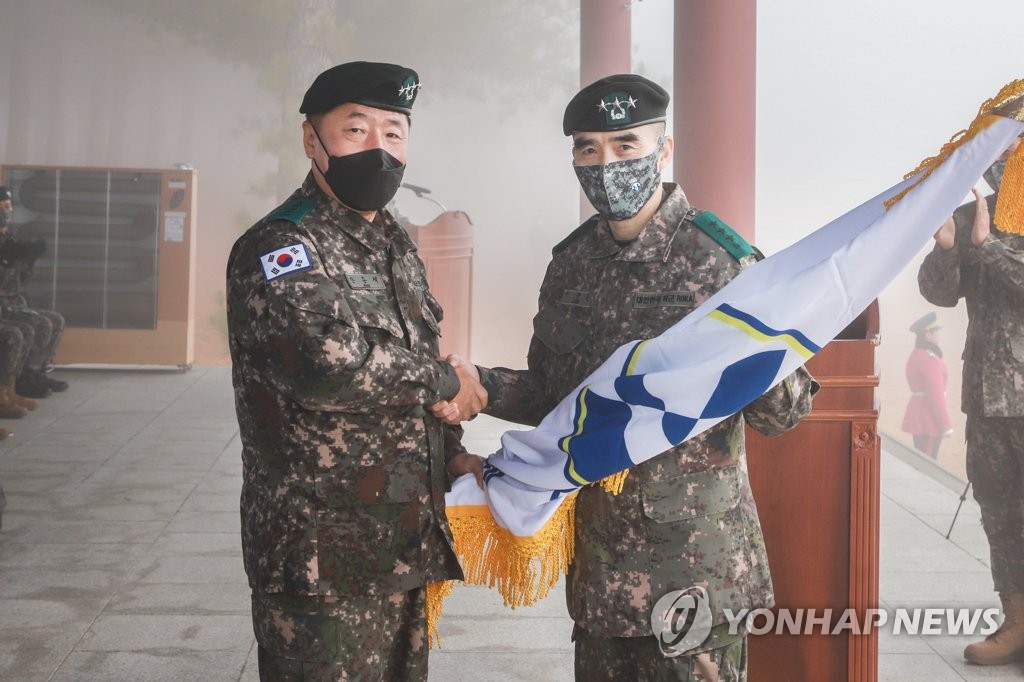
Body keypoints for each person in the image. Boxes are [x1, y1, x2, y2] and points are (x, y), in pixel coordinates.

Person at [444, 75, 817, 681]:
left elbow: (784, 414)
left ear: (663, 150)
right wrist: (481, 387)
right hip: (599, 566)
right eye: (588, 149)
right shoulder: (571, 265)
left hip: (695, 566)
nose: (607, 164)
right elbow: (556, 394)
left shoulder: (720, 260)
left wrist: (749, 328)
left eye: (625, 146)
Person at [225, 61, 486, 680]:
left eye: (393, 133)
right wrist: (451, 382)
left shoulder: (394, 241)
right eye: (357, 129)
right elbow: (330, 365)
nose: (379, 148)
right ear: (312, 141)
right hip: (319, 550)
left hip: (399, 537)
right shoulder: (283, 246)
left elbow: (413, 354)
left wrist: (451, 451)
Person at [919, 138, 1024, 666]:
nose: (1008, 159)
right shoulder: (970, 213)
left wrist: (992, 248)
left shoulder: (995, 231)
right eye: (1003, 146)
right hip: (987, 395)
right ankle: (1015, 624)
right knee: (1001, 515)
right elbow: (939, 293)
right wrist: (945, 246)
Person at [0, 185, 68, 399]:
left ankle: (35, 373)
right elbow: (4, 285)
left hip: (11, 302)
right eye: (3, 207)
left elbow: (20, 283)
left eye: (8, 207)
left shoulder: (6, 238)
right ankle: (14, 383)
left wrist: (28, 262)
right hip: (4, 305)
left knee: (55, 320)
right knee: (28, 329)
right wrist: (17, 263)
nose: (7, 212)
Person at [900, 311, 952, 459]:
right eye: (935, 332)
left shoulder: (917, 354)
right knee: (928, 464)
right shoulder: (929, 359)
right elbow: (936, 395)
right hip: (928, 419)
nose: (938, 336)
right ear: (928, 334)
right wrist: (945, 425)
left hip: (921, 416)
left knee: (923, 461)